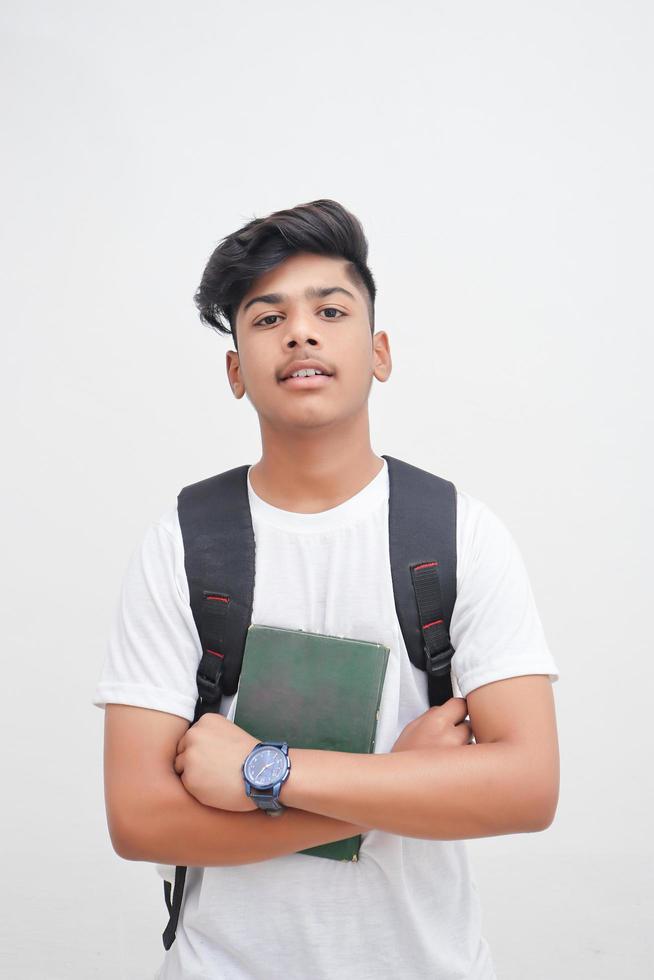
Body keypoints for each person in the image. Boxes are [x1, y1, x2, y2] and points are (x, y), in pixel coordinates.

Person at [93, 198, 560, 980]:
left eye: (330, 310)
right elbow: (140, 820)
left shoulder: (456, 533)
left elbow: (528, 788)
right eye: (268, 318)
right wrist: (404, 781)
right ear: (236, 370)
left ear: (379, 351)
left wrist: (262, 775)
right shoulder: (182, 542)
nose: (301, 331)